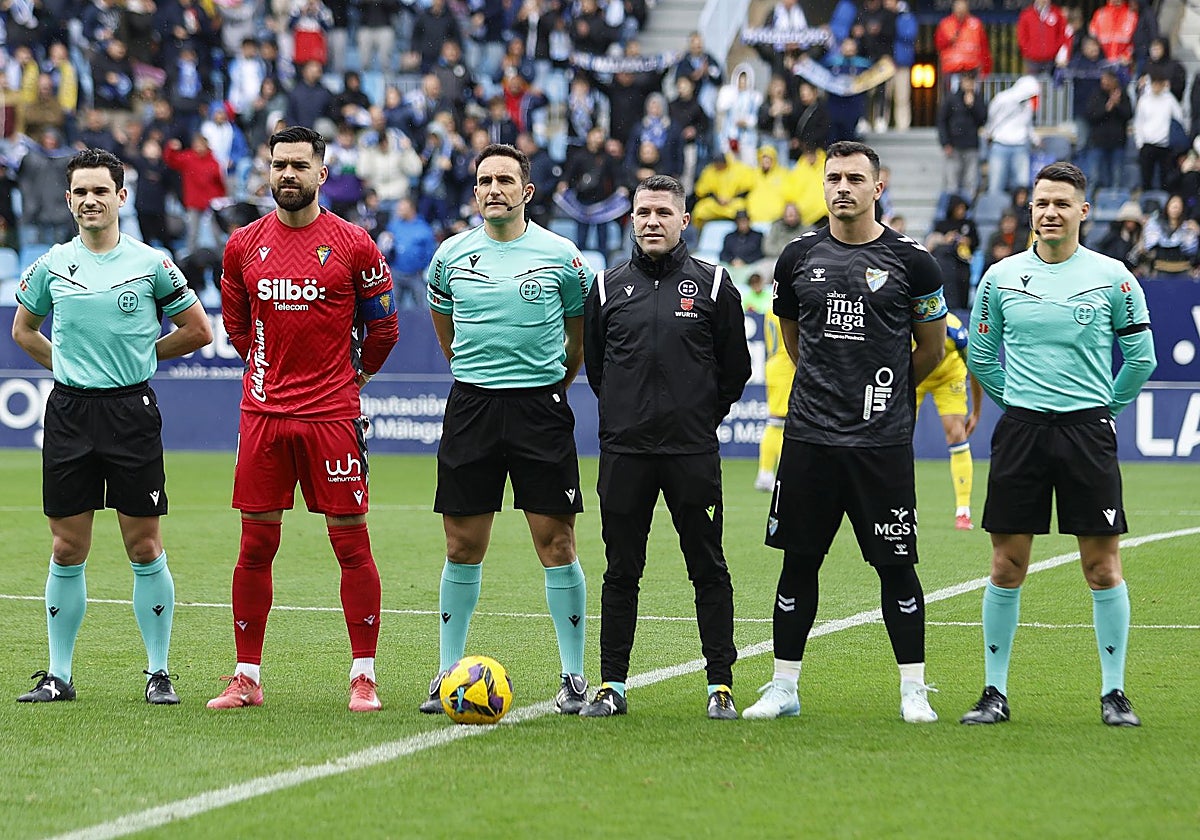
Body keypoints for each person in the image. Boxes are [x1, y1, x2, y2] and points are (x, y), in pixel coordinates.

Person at [742, 141, 947, 723]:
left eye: (855, 178)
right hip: (809, 439)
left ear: (878, 187)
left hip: (880, 444)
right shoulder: (797, 256)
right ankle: (784, 687)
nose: (842, 188)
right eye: (833, 177)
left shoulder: (915, 262)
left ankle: (913, 689)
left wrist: (879, 394)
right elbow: (792, 337)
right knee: (798, 562)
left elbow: (929, 350)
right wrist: (828, 389)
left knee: (896, 565)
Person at [208, 126, 400, 713]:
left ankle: (362, 676)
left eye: (299, 165)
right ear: (268, 173)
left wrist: (351, 380)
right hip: (263, 414)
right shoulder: (242, 244)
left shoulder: (354, 244)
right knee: (255, 544)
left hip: (332, 418)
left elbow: (385, 328)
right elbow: (238, 327)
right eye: (278, 165)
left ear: (322, 172)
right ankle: (246, 677)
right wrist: (271, 370)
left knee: (351, 543)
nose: (287, 174)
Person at [12, 148, 213, 704]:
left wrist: (145, 356)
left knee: (143, 545)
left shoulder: (151, 263)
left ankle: (158, 672)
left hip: (130, 413)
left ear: (121, 197)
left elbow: (198, 330)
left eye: (100, 190)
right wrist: (68, 366)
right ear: (70, 199)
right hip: (70, 413)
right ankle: (58, 675)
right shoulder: (52, 264)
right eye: (80, 191)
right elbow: (24, 330)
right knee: (66, 545)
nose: (89, 200)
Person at [963, 161, 1156, 727]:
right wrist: (1017, 401)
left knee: (1101, 567)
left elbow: (1141, 359)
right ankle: (993, 693)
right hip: (1021, 432)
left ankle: (1114, 693)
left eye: (1062, 204)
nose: (1050, 212)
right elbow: (979, 355)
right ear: (1032, 209)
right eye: (1042, 203)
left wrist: (1103, 411)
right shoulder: (1000, 277)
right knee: (1006, 564)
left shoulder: (1115, 277)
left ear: (1083, 211)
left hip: (1087, 433)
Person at [420, 143, 594, 715]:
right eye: (484, 180)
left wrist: (552, 382)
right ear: (475, 191)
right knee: (461, 545)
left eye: (505, 180)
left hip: (540, 409)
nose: (493, 189)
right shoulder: (449, 257)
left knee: (557, 541)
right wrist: (473, 371)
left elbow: (578, 336)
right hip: (472, 406)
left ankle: (572, 676)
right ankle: (447, 672)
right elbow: (444, 325)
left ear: (527, 191)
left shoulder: (562, 256)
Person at [579, 174, 751, 718]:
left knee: (707, 567)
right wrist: (629, 420)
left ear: (684, 221)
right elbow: (598, 369)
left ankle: (719, 685)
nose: (652, 221)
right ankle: (611, 685)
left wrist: (698, 420)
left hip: (690, 454)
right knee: (620, 569)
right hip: (625, 454)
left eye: (662, 213)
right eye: (643, 212)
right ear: (631, 219)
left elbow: (735, 370)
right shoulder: (606, 287)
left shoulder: (715, 284)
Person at [915, 312, 985, 529]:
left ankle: (963, 511)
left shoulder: (956, 332)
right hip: (914, 374)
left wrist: (976, 412)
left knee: (956, 432)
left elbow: (975, 368)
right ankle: (903, 507)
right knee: (897, 435)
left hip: (948, 376)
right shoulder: (903, 325)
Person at [755, 305, 797, 492]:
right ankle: (767, 474)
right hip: (785, 367)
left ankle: (768, 473)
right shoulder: (787, 308)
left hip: (774, 364)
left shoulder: (770, 307)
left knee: (779, 422)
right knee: (778, 423)